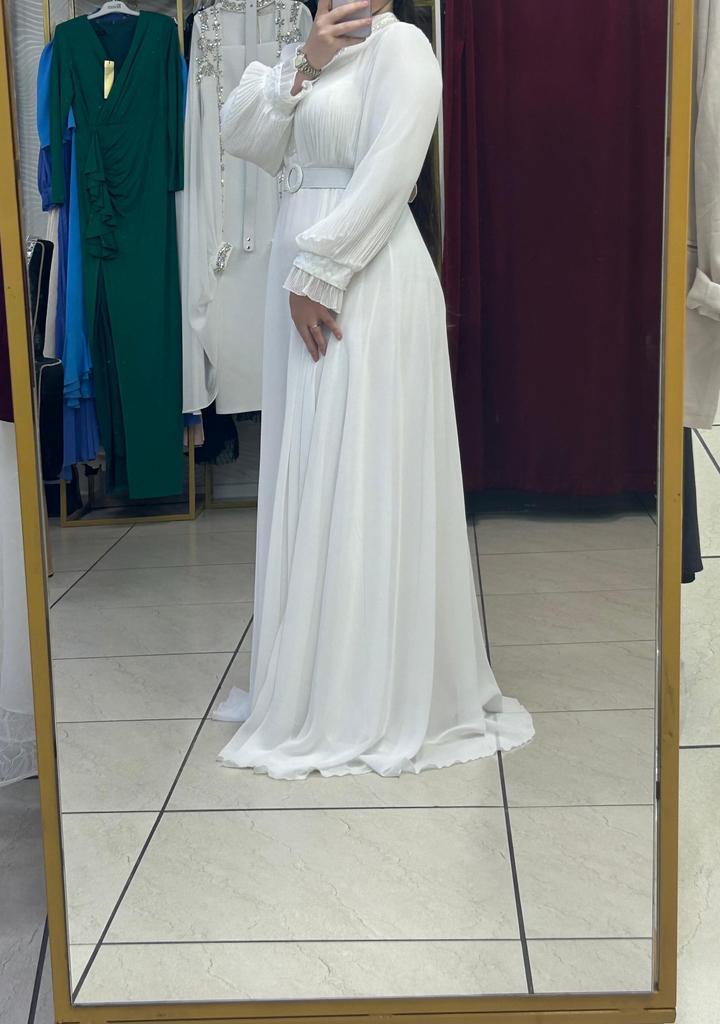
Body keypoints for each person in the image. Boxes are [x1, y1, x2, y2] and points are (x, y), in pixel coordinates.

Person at [212, 0, 534, 779]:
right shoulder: (305, 53)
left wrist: (318, 271)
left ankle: (372, 693)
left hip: (365, 283)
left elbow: (393, 174)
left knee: (363, 474)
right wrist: (307, 61)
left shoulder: (405, 49)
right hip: (304, 282)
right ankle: (313, 680)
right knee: (315, 470)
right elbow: (244, 137)